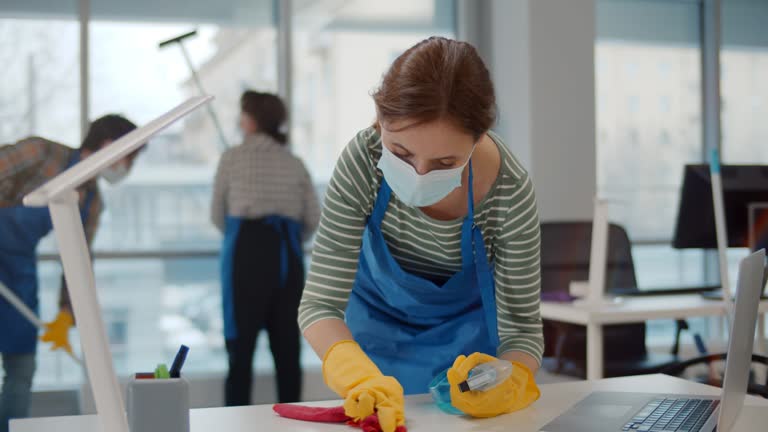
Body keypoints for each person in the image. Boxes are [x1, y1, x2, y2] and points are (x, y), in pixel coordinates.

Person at [298, 37, 544, 431]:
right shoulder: (363, 162)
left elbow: (524, 332)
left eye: (446, 162)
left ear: (479, 138)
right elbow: (320, 306)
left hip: (465, 377)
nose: (419, 175)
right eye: (400, 153)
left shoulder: (508, 193)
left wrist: (506, 379)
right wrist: (359, 378)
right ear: (379, 117)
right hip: (372, 350)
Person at [0, 115, 139, 432]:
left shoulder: (90, 201)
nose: (128, 167)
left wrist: (66, 312)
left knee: (21, 368)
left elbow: (78, 258)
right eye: (130, 156)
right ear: (108, 146)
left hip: (19, 270)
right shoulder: (39, 153)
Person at [211, 90, 320, 406]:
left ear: (252, 119)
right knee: (287, 352)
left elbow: (217, 214)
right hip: (287, 258)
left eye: (243, 114)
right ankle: (294, 420)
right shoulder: (294, 162)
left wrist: (241, 234)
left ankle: (234, 421)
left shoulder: (232, 157)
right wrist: (290, 239)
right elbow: (313, 217)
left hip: (244, 256)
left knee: (240, 352)